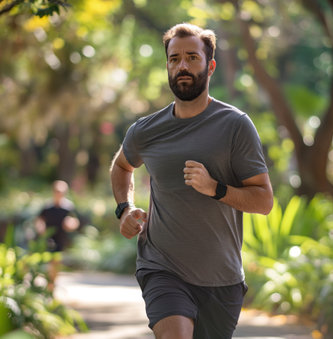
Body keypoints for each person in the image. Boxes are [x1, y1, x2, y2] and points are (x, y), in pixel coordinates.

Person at [110, 23, 273, 339]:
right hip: (161, 267)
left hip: (221, 279)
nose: (182, 66)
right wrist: (125, 208)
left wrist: (215, 188)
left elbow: (264, 201)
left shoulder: (235, 126)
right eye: (174, 59)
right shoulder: (146, 130)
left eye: (191, 58)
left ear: (210, 66)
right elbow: (121, 166)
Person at [35, 180, 80, 290]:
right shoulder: (47, 207)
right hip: (48, 238)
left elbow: (76, 221)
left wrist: (70, 224)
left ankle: (51, 284)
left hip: (61, 238)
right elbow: (39, 220)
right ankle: (50, 284)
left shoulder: (68, 207)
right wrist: (41, 228)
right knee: (49, 262)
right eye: (57, 191)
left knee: (56, 262)